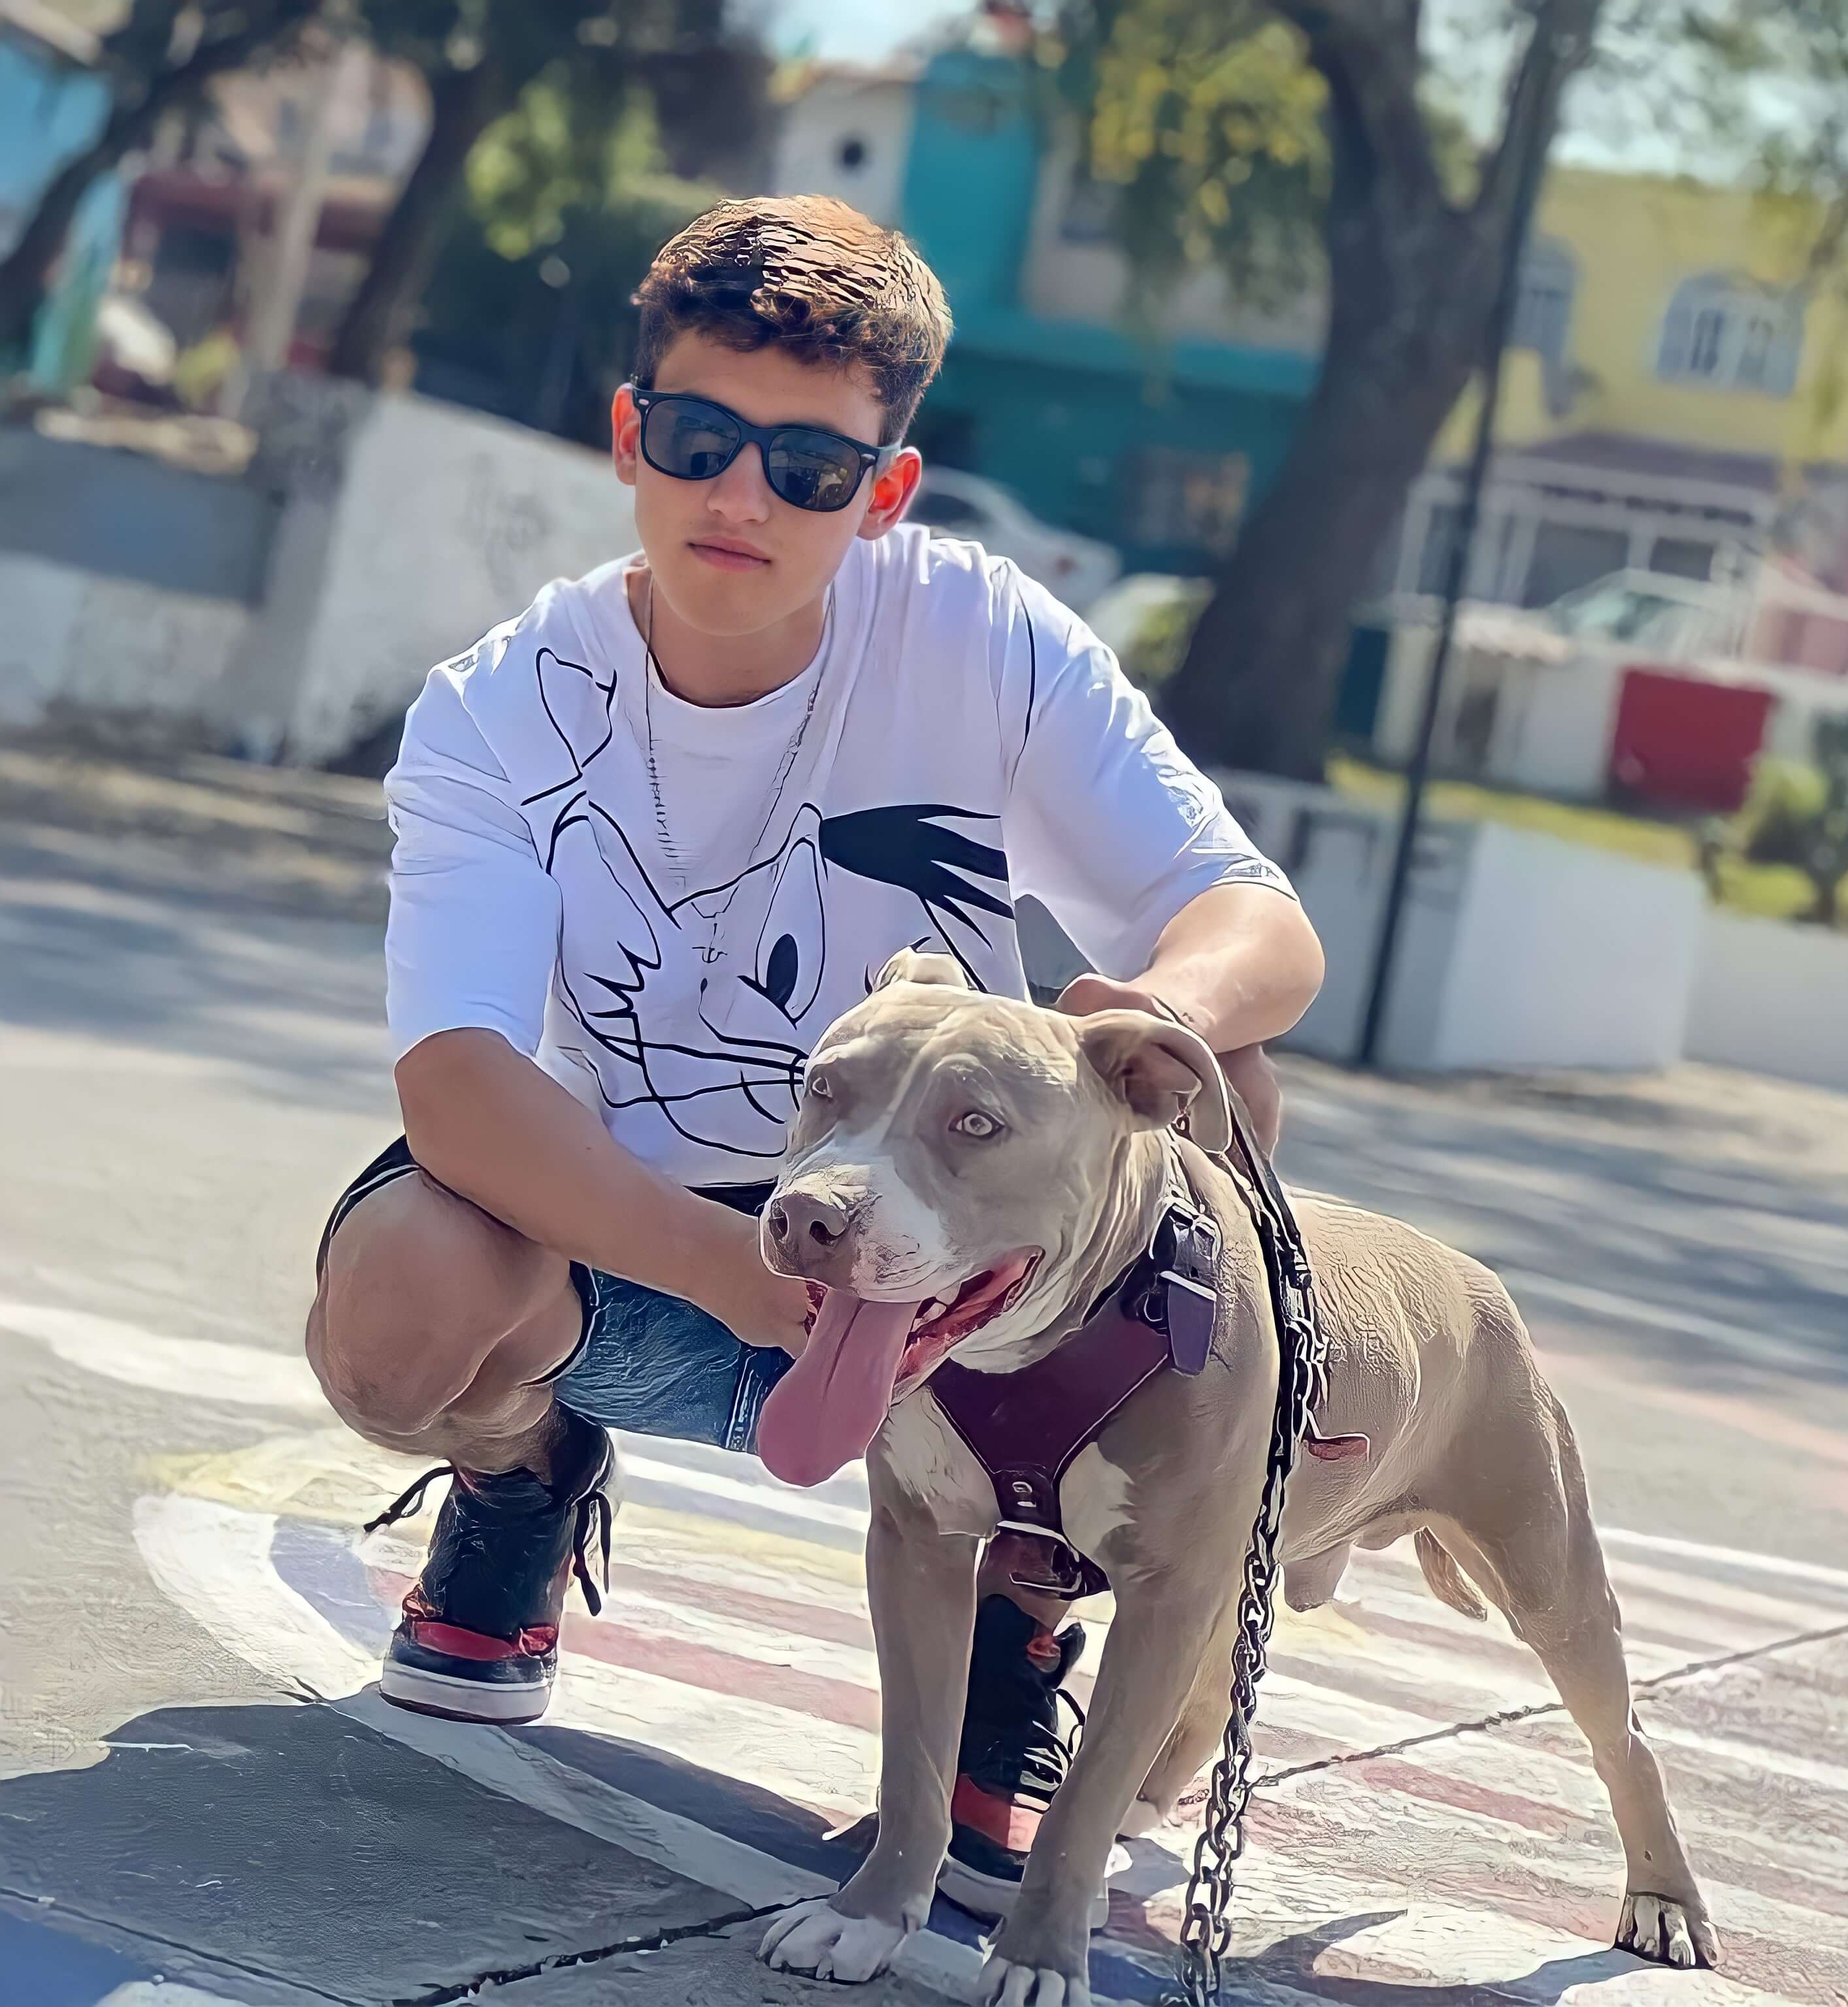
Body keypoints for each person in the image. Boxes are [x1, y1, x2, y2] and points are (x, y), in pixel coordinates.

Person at [305, 193, 1323, 1920]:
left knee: (1215, 1093)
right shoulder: (505, 707)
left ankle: (1019, 1614)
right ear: (630, 434)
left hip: (960, 1278)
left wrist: (1136, 1023)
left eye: (809, 465)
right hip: (640, 1252)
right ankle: (518, 1472)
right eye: (699, 439)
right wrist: (745, 1279)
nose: (742, 497)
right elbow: (459, 1081)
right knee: (406, 1282)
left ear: (887, 489)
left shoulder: (977, 637)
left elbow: (1256, 926)